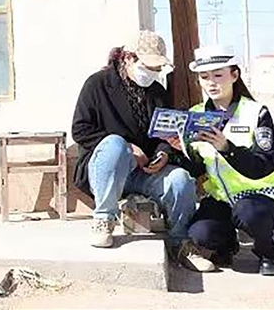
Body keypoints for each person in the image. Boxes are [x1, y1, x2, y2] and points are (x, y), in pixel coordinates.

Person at [71, 31, 215, 272]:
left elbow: (164, 134)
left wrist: (163, 153)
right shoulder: (97, 84)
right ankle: (103, 219)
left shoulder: (157, 91)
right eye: (148, 67)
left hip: (145, 171)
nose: (152, 73)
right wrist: (127, 148)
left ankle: (181, 242)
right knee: (115, 144)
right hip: (106, 169)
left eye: (157, 69)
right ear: (128, 58)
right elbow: (80, 129)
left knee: (180, 179)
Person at [176, 45, 274, 276]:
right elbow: (197, 168)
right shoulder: (196, 114)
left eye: (218, 75)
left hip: (259, 198)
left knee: (249, 213)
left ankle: (267, 253)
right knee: (200, 234)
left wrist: (227, 148)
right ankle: (227, 245)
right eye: (204, 77)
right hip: (221, 199)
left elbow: (266, 164)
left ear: (234, 75)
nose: (211, 83)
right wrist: (182, 150)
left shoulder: (256, 112)